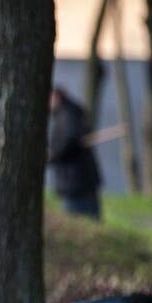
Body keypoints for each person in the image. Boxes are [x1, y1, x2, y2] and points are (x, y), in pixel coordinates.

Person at [47, 86, 102, 220]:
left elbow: (69, 139)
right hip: (78, 180)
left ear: (57, 97)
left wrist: (53, 154)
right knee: (88, 218)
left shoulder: (67, 114)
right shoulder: (72, 113)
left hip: (75, 181)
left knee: (81, 219)